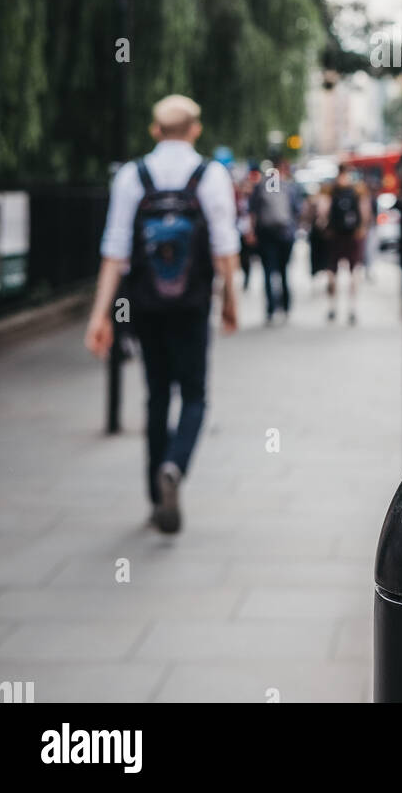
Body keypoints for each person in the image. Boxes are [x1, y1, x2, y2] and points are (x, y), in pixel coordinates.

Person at [85, 94, 239, 534]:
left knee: (156, 395)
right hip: (192, 304)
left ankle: (156, 497)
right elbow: (225, 249)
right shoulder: (210, 176)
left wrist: (100, 316)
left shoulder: (133, 176)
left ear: (155, 130)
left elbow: (114, 251)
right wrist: (230, 301)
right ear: (195, 129)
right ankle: (175, 465)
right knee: (194, 395)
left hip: (146, 303)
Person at [250, 158, 302, 323]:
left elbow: (253, 211)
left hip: (265, 233)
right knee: (284, 271)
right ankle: (285, 307)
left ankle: (270, 308)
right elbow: (296, 211)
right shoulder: (289, 187)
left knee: (267, 272)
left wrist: (252, 232)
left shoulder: (261, 186)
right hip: (284, 234)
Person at [325, 164, 370, 325]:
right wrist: (362, 228)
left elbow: (324, 212)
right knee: (347, 273)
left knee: (339, 273)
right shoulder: (356, 191)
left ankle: (337, 308)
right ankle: (348, 308)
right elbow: (364, 212)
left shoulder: (333, 191)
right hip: (349, 236)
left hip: (340, 235)